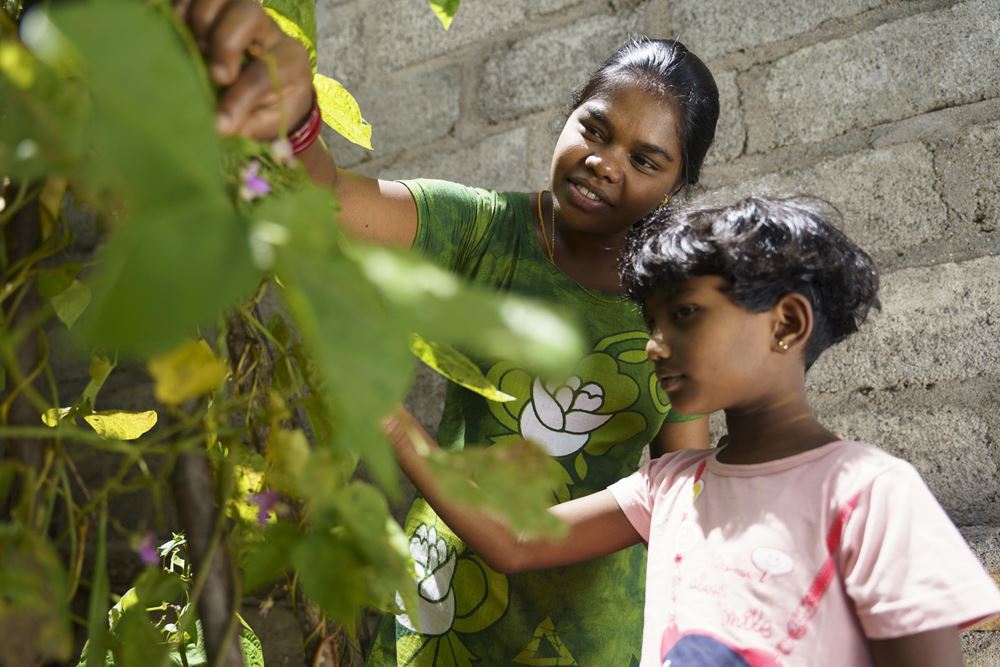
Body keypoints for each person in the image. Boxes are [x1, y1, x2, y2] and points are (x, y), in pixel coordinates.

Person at [179, 2, 720, 662]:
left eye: (645, 159)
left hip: (586, 635)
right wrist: (294, 119)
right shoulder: (486, 229)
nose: (606, 162)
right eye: (595, 130)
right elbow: (328, 201)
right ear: (569, 116)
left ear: (676, 187)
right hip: (440, 601)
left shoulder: (677, 311)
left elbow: (683, 511)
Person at [385, 196, 1000, 666]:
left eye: (684, 315)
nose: (655, 345)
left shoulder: (868, 492)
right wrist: (388, 417)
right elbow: (515, 541)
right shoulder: (668, 486)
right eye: (652, 321)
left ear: (786, 323)